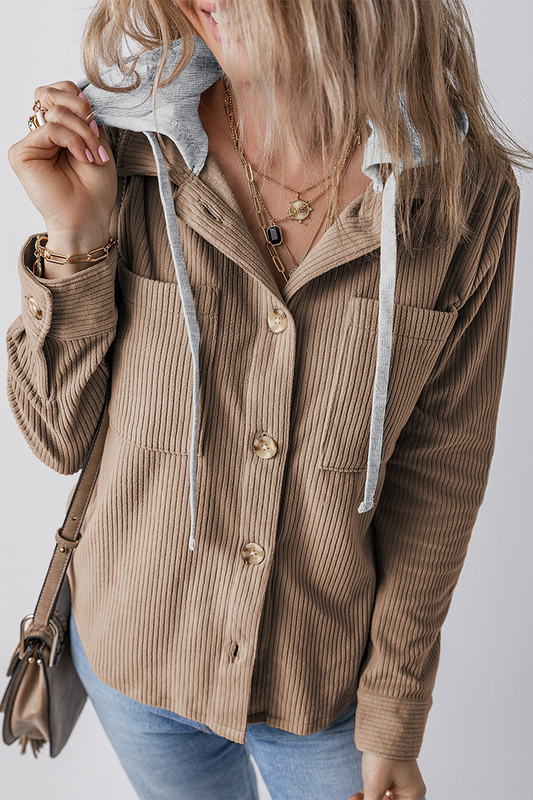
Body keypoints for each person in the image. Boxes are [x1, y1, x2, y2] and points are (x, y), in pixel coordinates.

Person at [5, 0, 531, 798]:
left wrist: (393, 712)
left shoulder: (463, 195)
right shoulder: (125, 146)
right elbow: (57, 439)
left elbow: (440, 475)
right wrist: (76, 239)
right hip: (132, 665)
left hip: (319, 691)